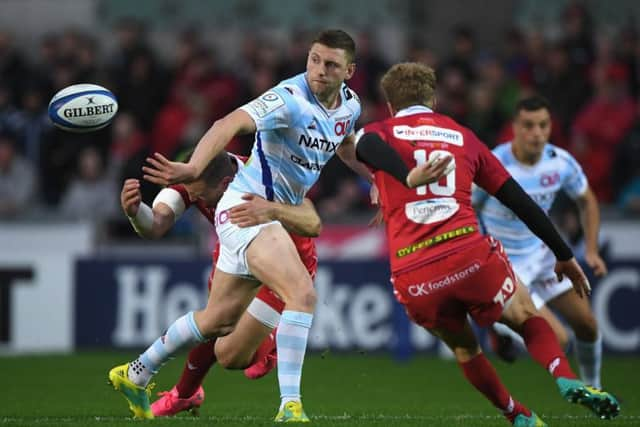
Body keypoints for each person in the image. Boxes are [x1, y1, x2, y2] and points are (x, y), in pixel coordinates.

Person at [109, 29, 370, 422]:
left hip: (263, 217)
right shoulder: (288, 98)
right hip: (249, 209)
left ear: (348, 71)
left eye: (330, 64)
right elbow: (227, 122)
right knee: (303, 295)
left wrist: (376, 180)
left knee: (218, 323)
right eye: (314, 59)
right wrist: (193, 168)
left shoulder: (350, 106)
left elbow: (345, 144)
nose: (318, 70)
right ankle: (290, 406)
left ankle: (136, 371)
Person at [353, 62, 619, 425]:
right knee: (526, 317)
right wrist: (564, 254)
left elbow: (363, 143)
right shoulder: (463, 136)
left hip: (414, 273)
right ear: (433, 98)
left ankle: (518, 415)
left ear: (388, 105)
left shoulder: (380, 130)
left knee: (464, 348)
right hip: (468, 254)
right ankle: (565, 378)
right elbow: (519, 200)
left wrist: (401, 178)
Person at [119, 150, 320, 417]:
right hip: (236, 245)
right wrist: (135, 213)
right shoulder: (196, 177)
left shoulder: (265, 175)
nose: (196, 199)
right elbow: (156, 224)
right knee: (215, 324)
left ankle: (273, 351)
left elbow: (312, 221)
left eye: (200, 195)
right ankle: (177, 390)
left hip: (287, 262)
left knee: (230, 355)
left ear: (226, 184)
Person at [473, 96, 608, 390]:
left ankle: (594, 389)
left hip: (543, 257)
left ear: (550, 128)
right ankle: (502, 328)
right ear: (515, 128)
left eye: (543, 125)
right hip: (506, 264)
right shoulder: (493, 163)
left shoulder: (560, 163)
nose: (536, 132)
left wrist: (592, 249)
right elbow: (466, 206)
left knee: (588, 325)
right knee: (559, 339)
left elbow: (587, 200)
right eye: (529, 125)